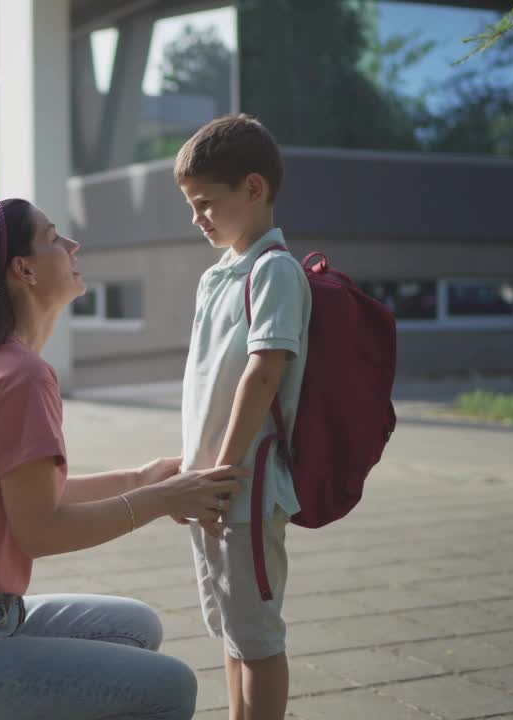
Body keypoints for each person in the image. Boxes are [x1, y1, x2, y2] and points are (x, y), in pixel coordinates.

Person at [0, 198, 245, 720]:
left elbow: (28, 497)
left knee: (134, 627)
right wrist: (158, 500)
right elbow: (41, 530)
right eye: (53, 238)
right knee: (171, 686)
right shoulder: (20, 375)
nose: (72, 246)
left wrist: (141, 477)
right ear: (23, 270)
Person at [172, 114, 313, 720]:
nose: (197, 218)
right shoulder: (216, 276)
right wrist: (193, 476)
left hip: (244, 488)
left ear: (254, 189)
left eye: (207, 203)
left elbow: (264, 373)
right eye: (192, 205)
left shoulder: (274, 271)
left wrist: (223, 471)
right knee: (231, 630)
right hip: (211, 487)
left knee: (257, 639)